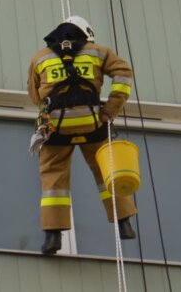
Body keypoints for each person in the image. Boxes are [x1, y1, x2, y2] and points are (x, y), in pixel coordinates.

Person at [27, 15, 138, 255]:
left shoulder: (40, 57)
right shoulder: (99, 52)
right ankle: (124, 223)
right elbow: (124, 74)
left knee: (53, 181)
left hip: (57, 128)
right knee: (108, 172)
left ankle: (53, 236)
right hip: (93, 123)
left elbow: (34, 96)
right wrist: (110, 109)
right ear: (86, 34)